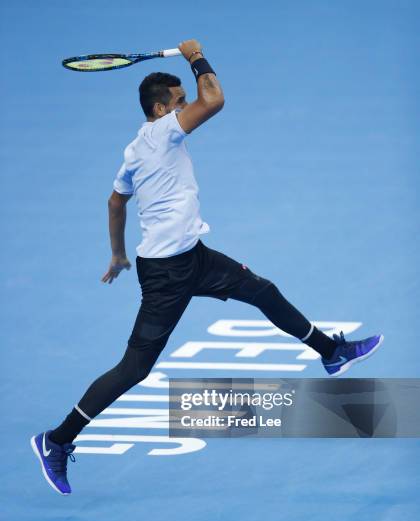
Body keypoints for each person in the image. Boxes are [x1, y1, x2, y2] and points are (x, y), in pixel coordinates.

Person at [30, 39, 384, 495]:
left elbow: (116, 200)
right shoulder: (162, 133)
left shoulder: (136, 148)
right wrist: (196, 56)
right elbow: (214, 99)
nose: (188, 107)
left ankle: (329, 353)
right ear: (160, 110)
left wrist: (117, 253)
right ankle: (56, 441)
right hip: (166, 274)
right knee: (134, 369)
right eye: (179, 102)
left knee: (262, 290)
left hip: (193, 256)